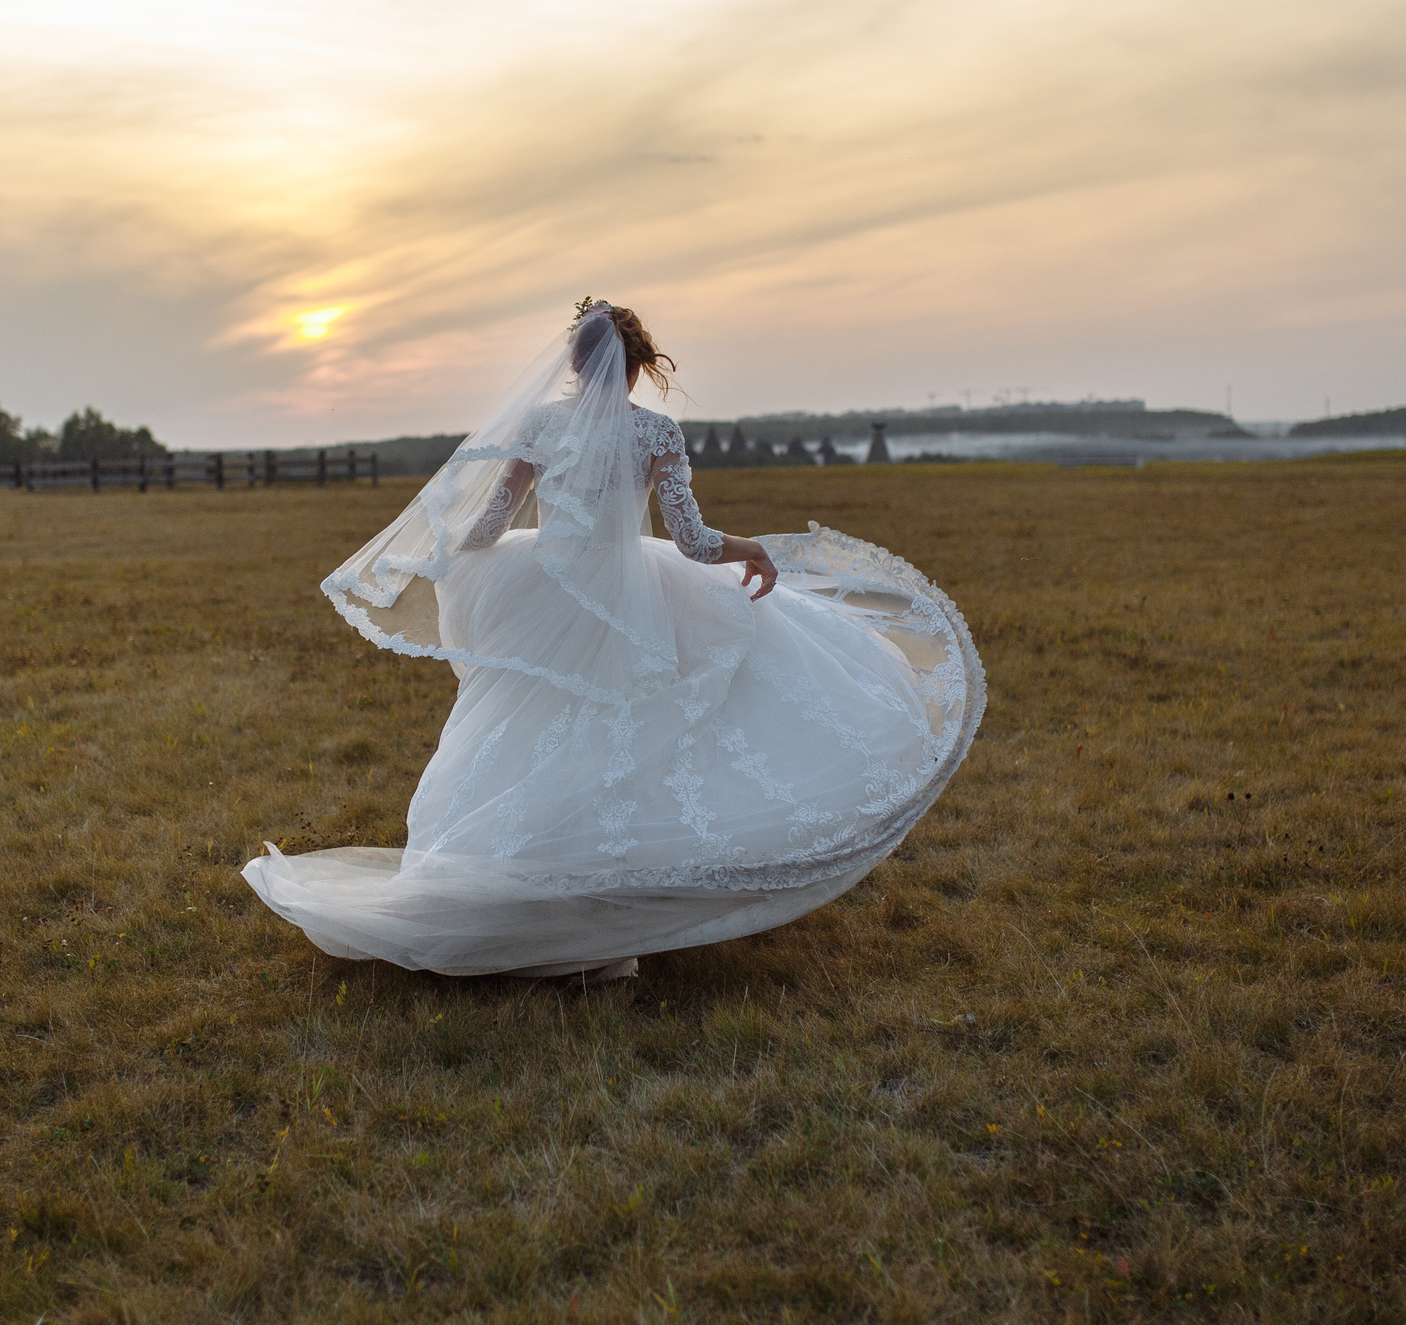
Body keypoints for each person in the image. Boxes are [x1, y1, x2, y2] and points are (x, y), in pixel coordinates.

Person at [242, 299, 984, 981]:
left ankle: (522, 899)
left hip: (546, 593)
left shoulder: (539, 424)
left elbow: (494, 523)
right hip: (631, 598)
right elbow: (691, 542)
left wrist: (439, 553)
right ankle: (598, 913)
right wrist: (751, 546)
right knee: (624, 744)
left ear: (573, 363)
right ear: (636, 365)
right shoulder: (654, 432)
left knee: (522, 735)